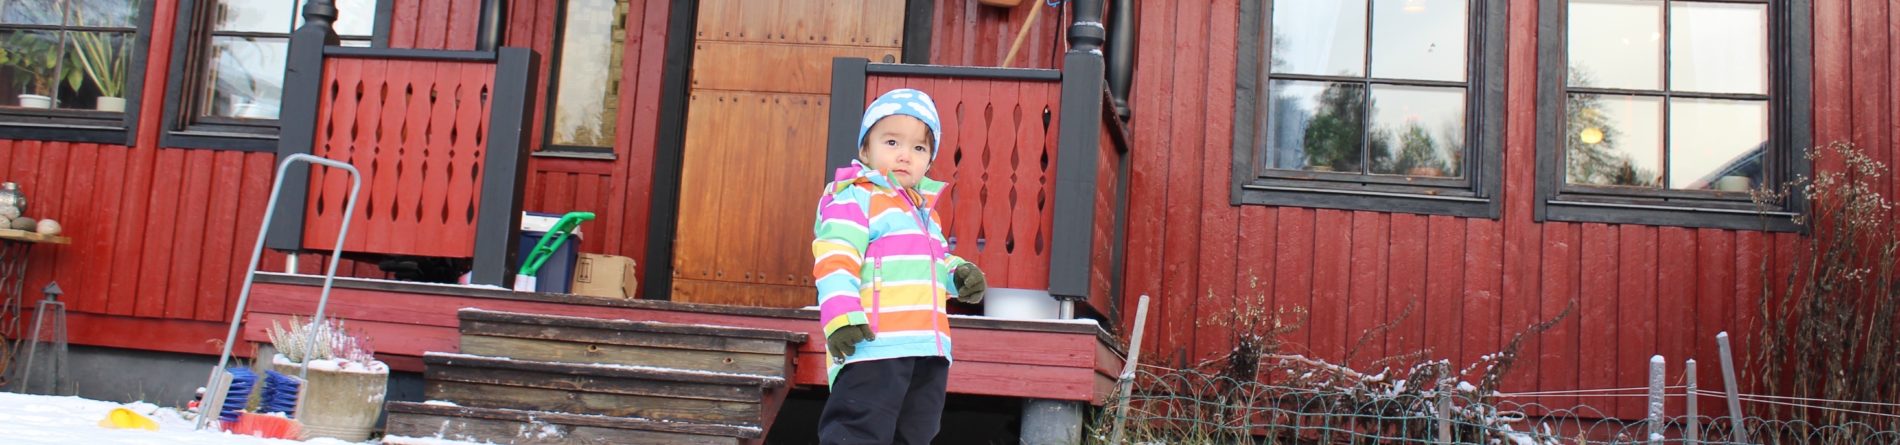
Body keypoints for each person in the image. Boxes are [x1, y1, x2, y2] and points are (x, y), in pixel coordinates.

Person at [811, 88, 988, 444]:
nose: (905, 155)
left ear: (929, 161)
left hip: (927, 347)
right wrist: (841, 317)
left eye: (919, 148)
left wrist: (957, 275)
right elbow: (836, 258)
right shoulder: (854, 196)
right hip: (874, 345)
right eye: (892, 142)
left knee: (915, 434)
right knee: (859, 432)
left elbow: (934, 262)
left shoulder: (924, 211)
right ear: (865, 150)